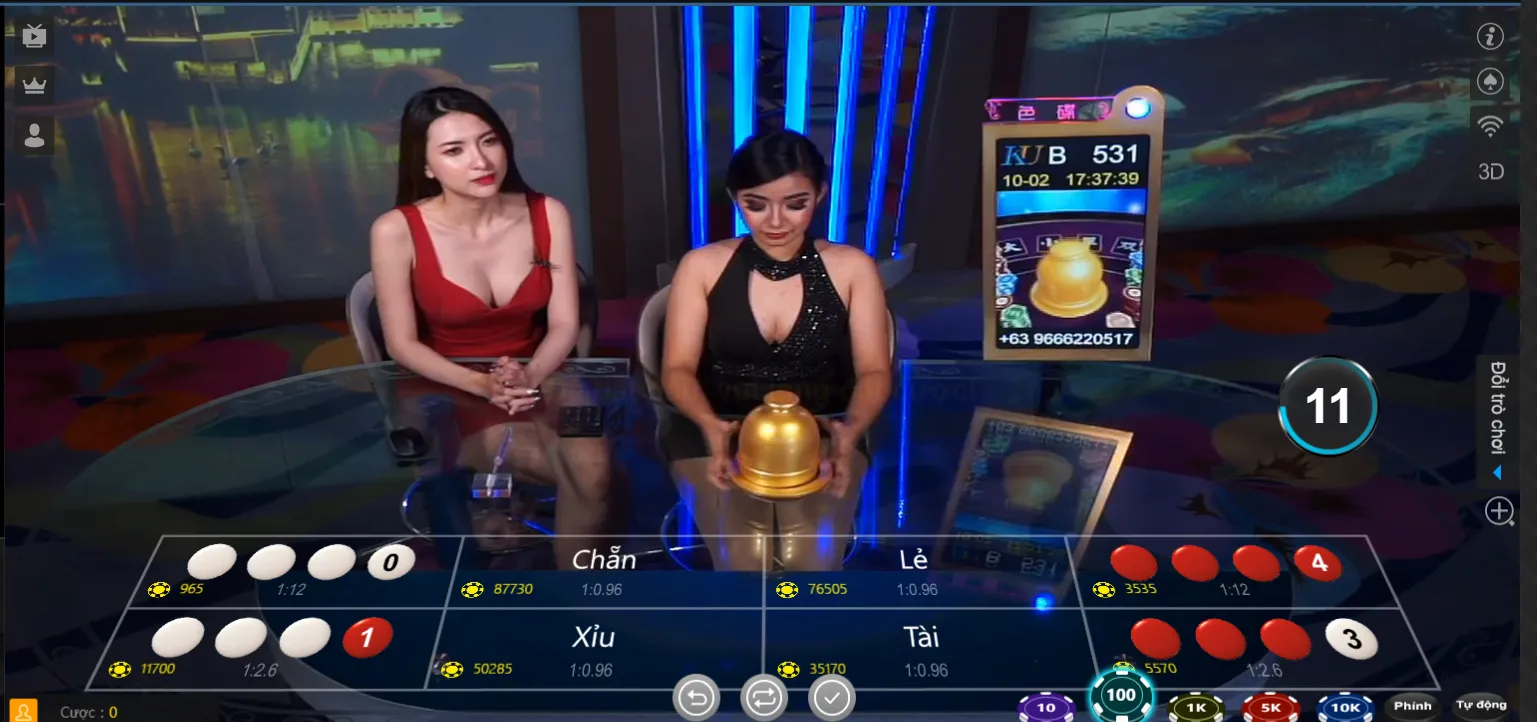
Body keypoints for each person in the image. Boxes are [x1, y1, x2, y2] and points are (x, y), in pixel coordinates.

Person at [369, 86, 613, 560]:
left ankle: (571, 587)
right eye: (454, 151)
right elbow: (401, 344)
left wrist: (530, 375)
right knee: (593, 479)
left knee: (596, 470)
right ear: (425, 165)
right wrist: (482, 385)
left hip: (543, 371)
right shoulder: (395, 230)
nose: (481, 161)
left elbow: (565, 323)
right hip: (449, 389)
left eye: (489, 141)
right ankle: (574, 582)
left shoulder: (548, 213)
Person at [661, 128, 892, 572]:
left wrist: (848, 433)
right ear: (734, 199)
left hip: (825, 426)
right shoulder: (701, 266)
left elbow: (875, 372)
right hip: (718, 422)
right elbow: (677, 368)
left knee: (808, 567)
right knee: (747, 565)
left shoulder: (853, 268)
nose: (776, 222)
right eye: (756, 204)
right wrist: (710, 426)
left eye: (795, 204)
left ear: (820, 194)